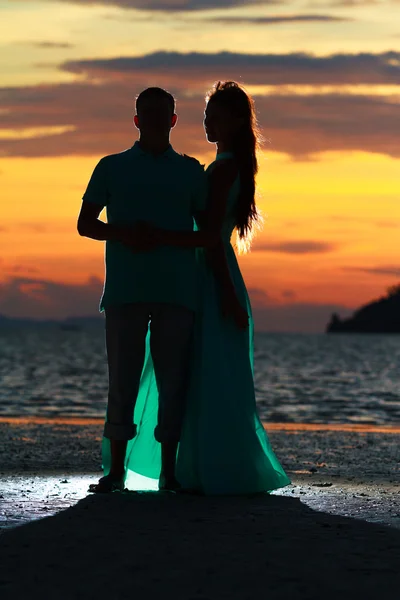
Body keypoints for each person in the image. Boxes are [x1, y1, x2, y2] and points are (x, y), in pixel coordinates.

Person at [118, 81, 291, 495]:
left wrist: (157, 236)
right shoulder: (227, 167)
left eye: (212, 115)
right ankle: (196, 463)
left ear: (232, 121)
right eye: (205, 115)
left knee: (204, 369)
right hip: (214, 273)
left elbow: (211, 238)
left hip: (212, 278)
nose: (206, 122)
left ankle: (204, 465)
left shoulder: (225, 169)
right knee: (204, 370)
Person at [77, 87, 210, 493]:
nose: (153, 119)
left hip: (176, 292)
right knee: (122, 381)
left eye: (161, 112)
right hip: (125, 291)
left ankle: (168, 472)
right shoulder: (111, 166)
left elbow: (206, 234)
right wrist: (125, 234)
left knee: (173, 382)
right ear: (136, 120)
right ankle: (116, 471)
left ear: (173, 119)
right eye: (146, 113)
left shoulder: (190, 171)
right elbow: (85, 224)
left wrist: (165, 237)